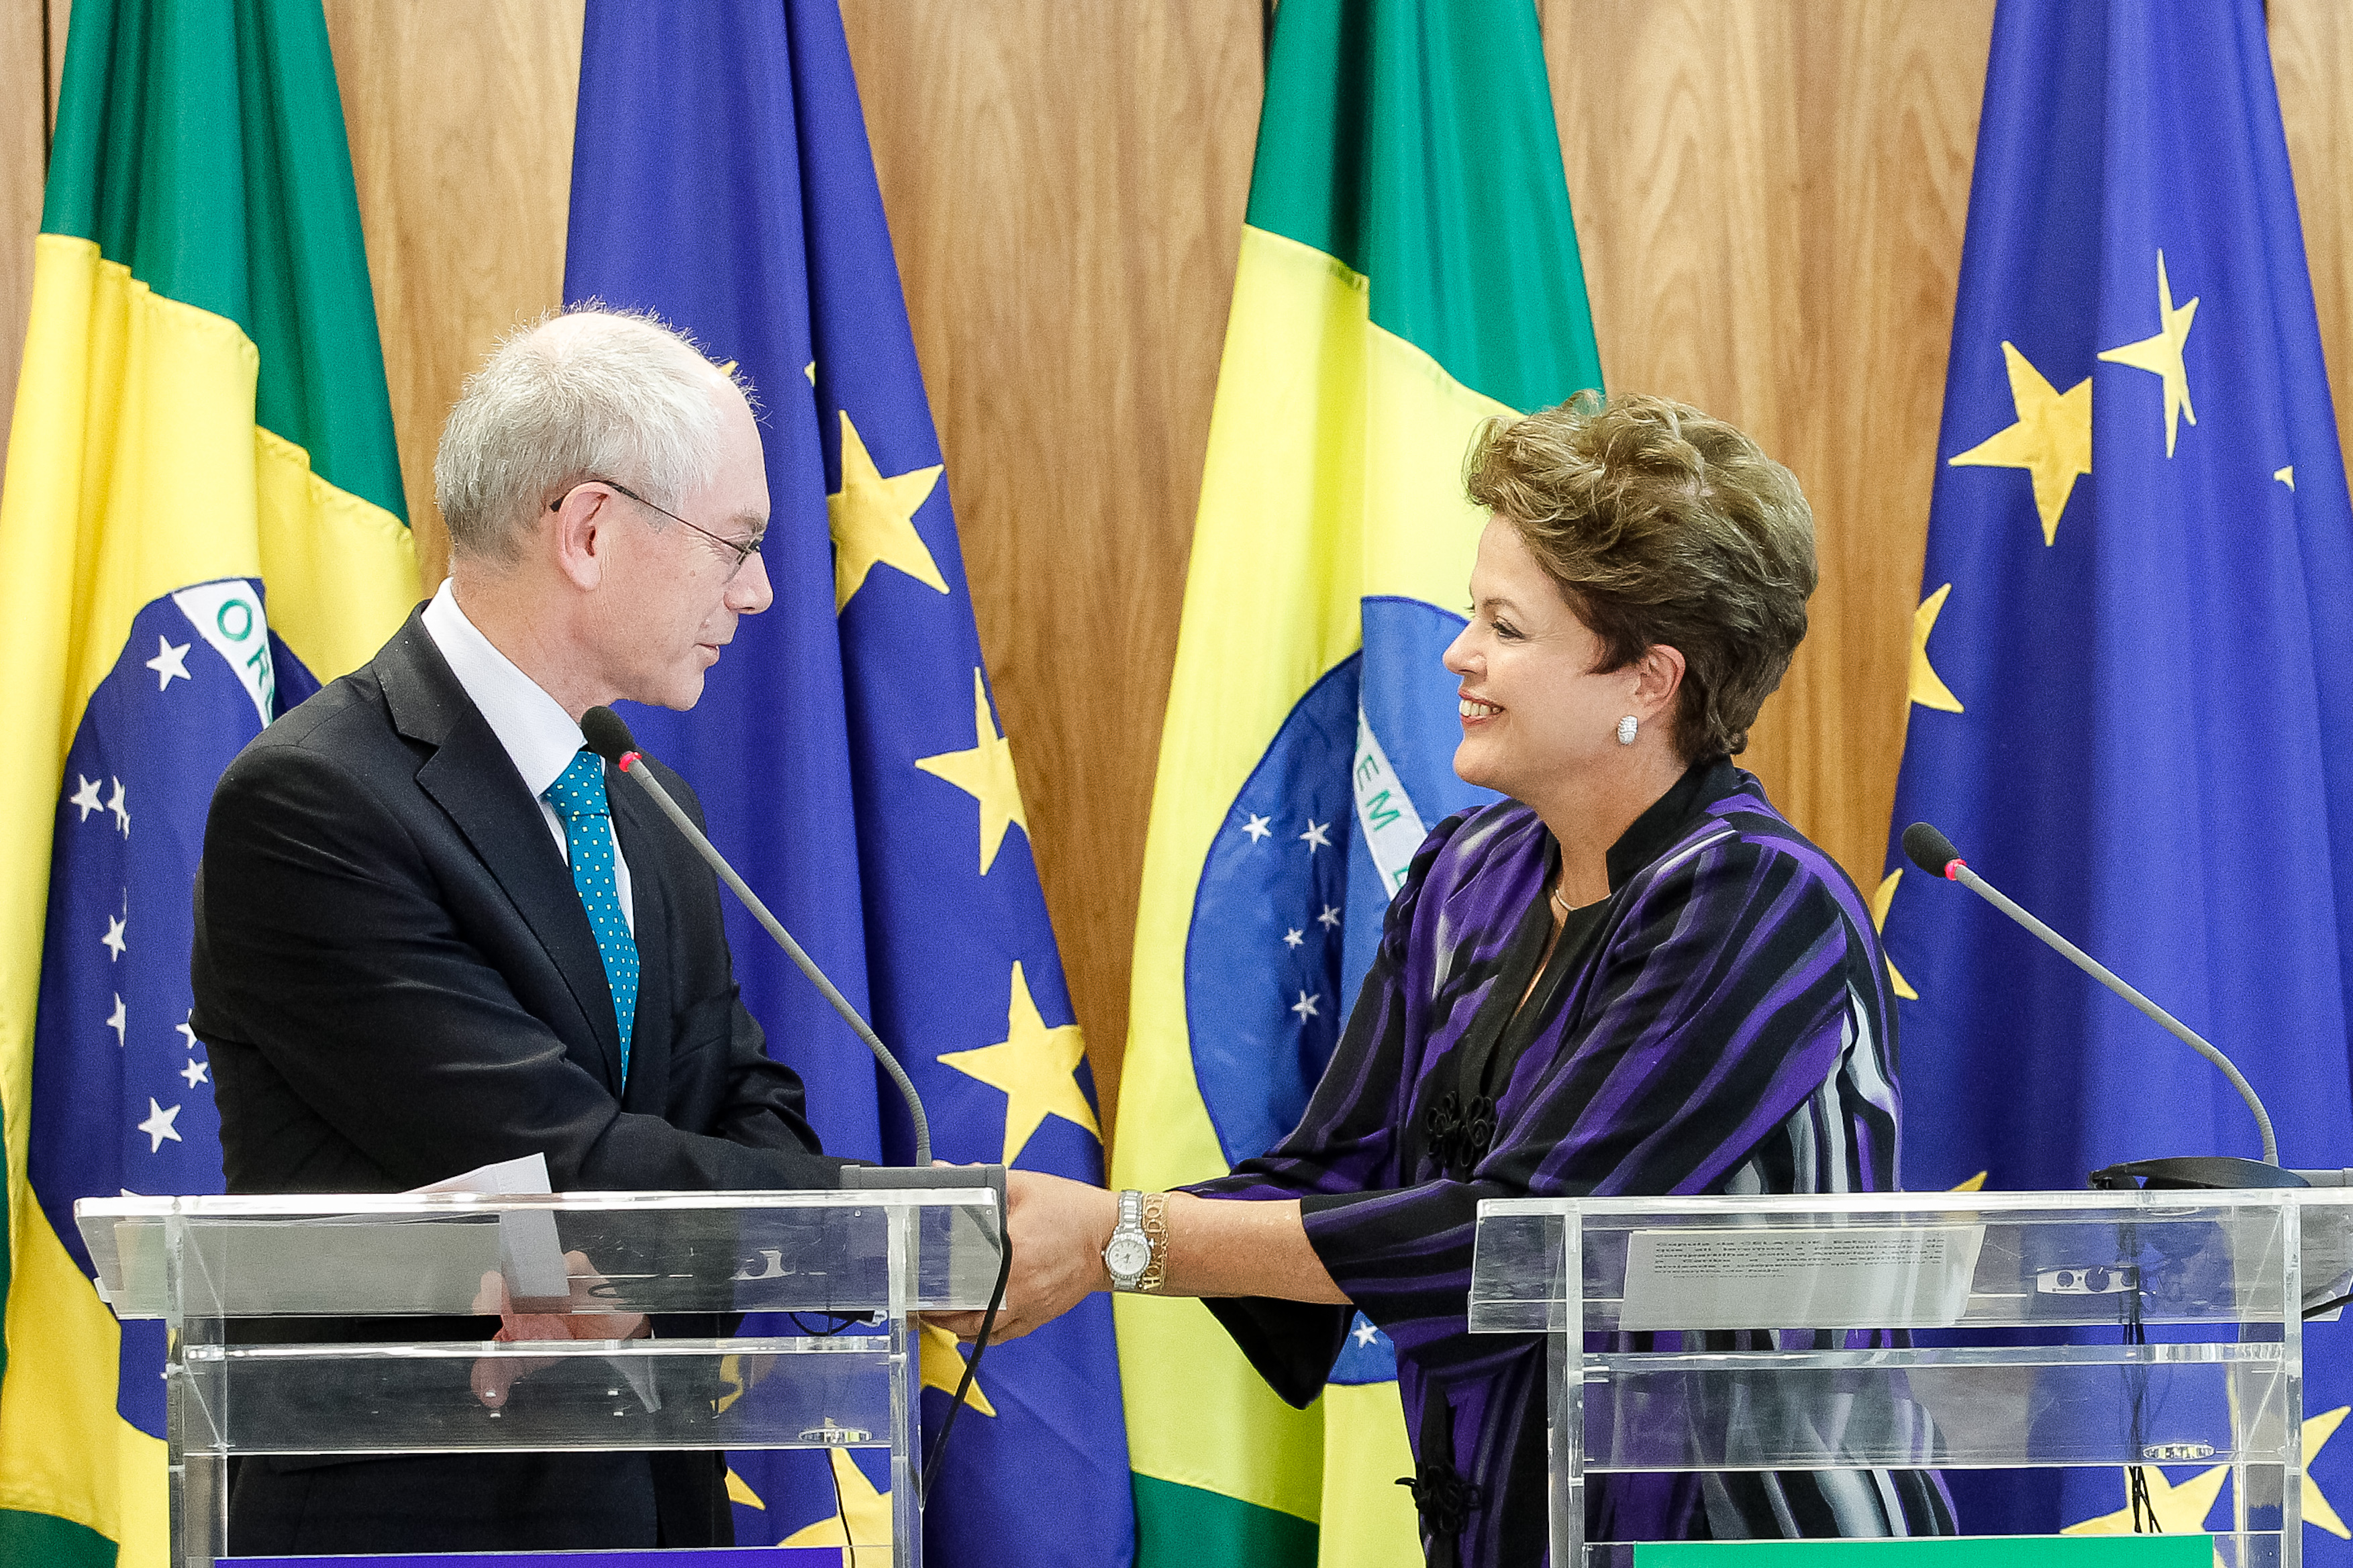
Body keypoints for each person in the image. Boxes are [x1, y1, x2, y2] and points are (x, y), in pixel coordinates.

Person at [940, 393, 1952, 1562]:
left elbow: (1523, 1238)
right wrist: (1036, 1235)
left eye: (1506, 627)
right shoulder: (1470, 870)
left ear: (1646, 680)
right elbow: (1336, 1169)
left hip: (1737, 1541)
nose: (1456, 653)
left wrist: (1126, 1239)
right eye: (1475, 612)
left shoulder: (1758, 904)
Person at [190, 309, 845, 1553]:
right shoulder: (313, 802)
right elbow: (570, 1168)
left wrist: (637, 1282)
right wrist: (924, 1213)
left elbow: (754, 1105)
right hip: (419, 1514)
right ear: (590, 532)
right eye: (737, 546)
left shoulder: (646, 804)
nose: (756, 592)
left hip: (655, 1505)